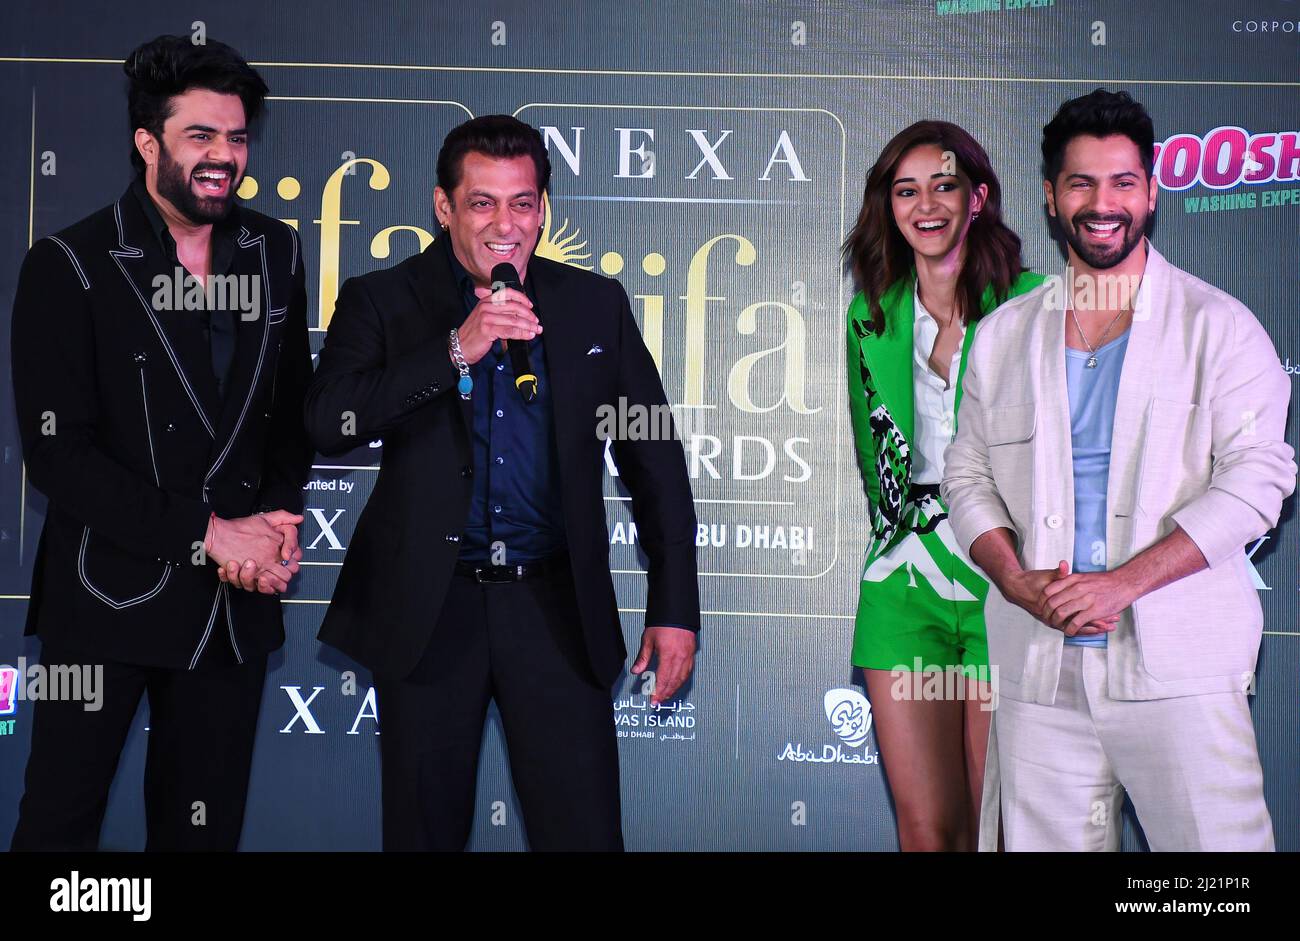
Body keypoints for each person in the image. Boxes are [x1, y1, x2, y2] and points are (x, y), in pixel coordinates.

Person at [305, 115, 700, 851]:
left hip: (555, 607)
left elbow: (653, 457)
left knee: (583, 835)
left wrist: (675, 606)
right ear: (443, 206)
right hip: (430, 610)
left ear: (544, 209)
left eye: (523, 202)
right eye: (482, 202)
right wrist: (459, 347)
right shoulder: (382, 299)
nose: (505, 224)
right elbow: (331, 421)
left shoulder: (592, 305)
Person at [943, 89, 1292, 851]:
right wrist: (1015, 579)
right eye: (1081, 183)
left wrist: (1121, 584)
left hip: (1179, 668)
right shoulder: (1002, 337)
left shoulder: (1219, 327)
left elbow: (1259, 480)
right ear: (1050, 196)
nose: (1103, 204)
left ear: (1152, 191)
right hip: (1040, 668)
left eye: (1122, 182)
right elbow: (966, 473)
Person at [9, 35, 313, 850]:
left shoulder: (274, 250)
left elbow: (291, 411)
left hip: (230, 612)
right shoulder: (69, 264)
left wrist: (277, 517)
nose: (225, 157)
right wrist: (211, 535)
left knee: (201, 837)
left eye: (238, 137)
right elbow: (57, 456)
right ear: (148, 142)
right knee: (57, 832)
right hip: (106, 602)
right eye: (201, 137)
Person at [841, 121, 1045, 851]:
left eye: (944, 184)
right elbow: (876, 460)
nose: (924, 204)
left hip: (1003, 575)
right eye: (905, 189)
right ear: (888, 207)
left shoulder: (1035, 306)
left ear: (979, 196)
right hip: (903, 582)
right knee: (928, 831)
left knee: (999, 825)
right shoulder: (871, 318)